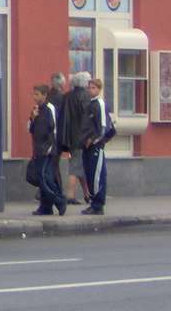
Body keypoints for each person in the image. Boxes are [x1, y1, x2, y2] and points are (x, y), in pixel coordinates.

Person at [26, 82, 66, 216]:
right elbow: (30, 129)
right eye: (34, 94)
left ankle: (60, 200)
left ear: (44, 95)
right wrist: (32, 118)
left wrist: (47, 148)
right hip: (37, 149)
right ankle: (45, 207)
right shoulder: (36, 110)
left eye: (37, 94)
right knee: (41, 179)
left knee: (45, 179)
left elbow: (53, 130)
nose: (35, 97)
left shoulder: (50, 108)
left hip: (46, 150)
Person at [56, 71, 91, 204]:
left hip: (70, 136)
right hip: (81, 137)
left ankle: (87, 194)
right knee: (75, 167)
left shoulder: (68, 96)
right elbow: (87, 117)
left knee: (79, 166)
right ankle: (70, 195)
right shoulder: (85, 96)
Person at [80, 75, 111, 215]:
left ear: (99, 89)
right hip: (86, 146)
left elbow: (103, 127)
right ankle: (93, 202)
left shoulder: (100, 104)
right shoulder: (89, 104)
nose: (90, 90)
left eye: (93, 88)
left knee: (97, 175)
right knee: (89, 174)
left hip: (96, 146)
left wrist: (93, 140)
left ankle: (98, 204)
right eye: (89, 88)